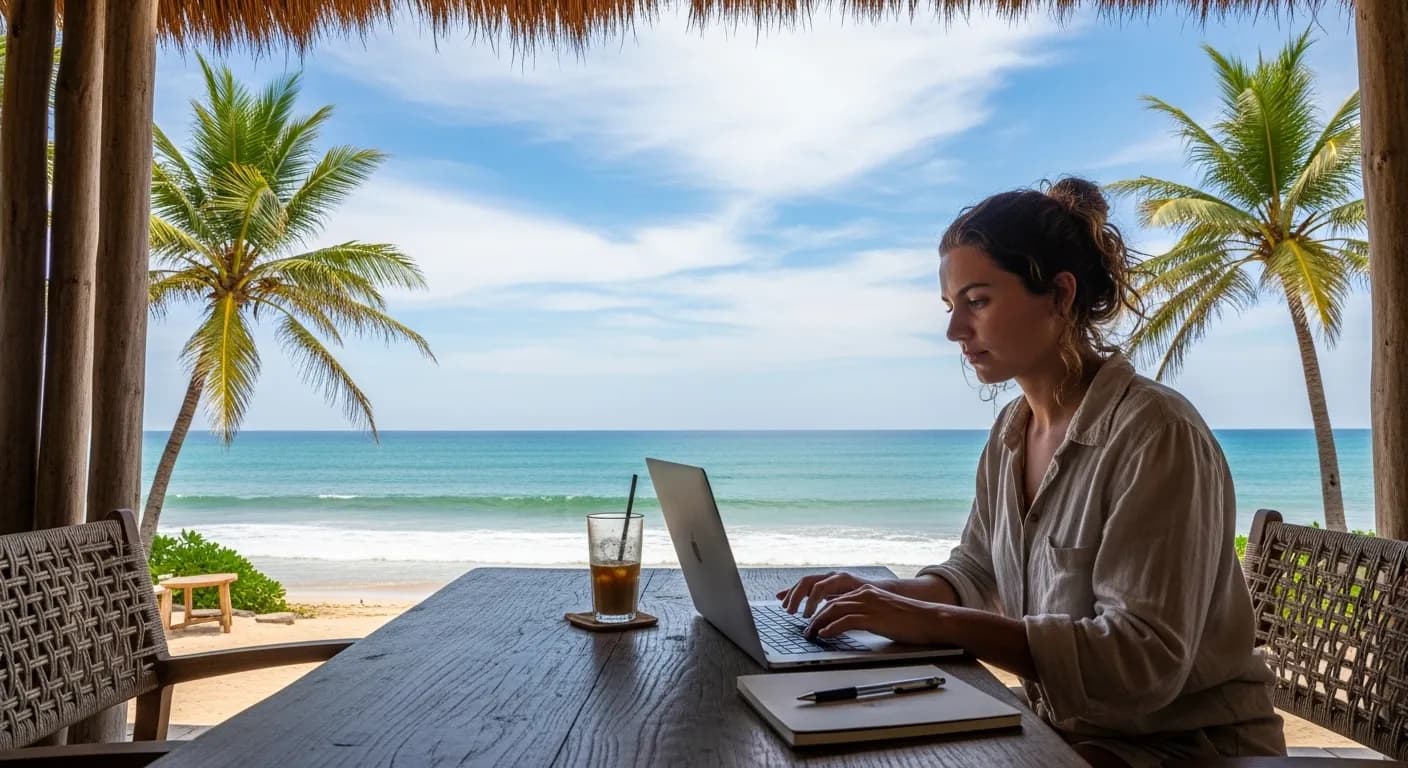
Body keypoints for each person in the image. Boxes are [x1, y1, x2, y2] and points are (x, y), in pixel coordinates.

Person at [777, 178, 1286, 768]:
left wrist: (932, 620)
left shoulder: (1156, 433)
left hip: (1188, 748)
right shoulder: (1013, 432)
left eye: (978, 301)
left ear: (1060, 295)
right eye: (951, 308)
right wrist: (876, 596)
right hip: (1070, 733)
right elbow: (976, 572)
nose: (955, 331)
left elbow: (1141, 660)